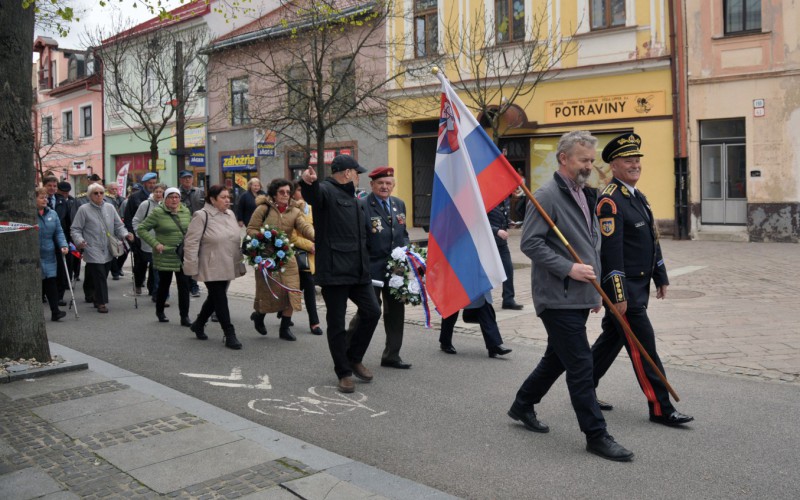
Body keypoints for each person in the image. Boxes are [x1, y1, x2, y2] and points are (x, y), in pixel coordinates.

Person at [506, 130, 634, 462]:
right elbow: (530, 244)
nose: (589, 166)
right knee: (580, 364)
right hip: (556, 296)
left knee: (557, 359)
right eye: (583, 160)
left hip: (578, 294)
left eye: (591, 160)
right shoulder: (547, 195)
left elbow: (591, 244)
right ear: (563, 158)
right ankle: (596, 434)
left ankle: (522, 404)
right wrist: (568, 270)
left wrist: (593, 293)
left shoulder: (583, 192)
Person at [591, 133, 694, 427]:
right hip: (625, 292)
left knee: (611, 340)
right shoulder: (610, 201)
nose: (635, 164)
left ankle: (584, 387)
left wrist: (660, 275)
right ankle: (661, 408)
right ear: (613, 164)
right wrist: (618, 295)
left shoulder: (638, 198)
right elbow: (611, 254)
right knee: (644, 347)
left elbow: (652, 240)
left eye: (637, 159)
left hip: (640, 286)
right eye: (628, 160)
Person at [300, 154, 381, 394]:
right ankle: (344, 372)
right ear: (347, 173)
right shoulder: (325, 190)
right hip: (335, 271)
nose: (358, 177)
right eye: (357, 173)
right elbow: (312, 196)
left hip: (358, 271)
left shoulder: (356, 199)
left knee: (373, 311)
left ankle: (354, 357)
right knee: (336, 323)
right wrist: (307, 183)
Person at [348, 166, 412, 369]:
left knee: (395, 312)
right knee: (369, 311)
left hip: (396, 269)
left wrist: (408, 253)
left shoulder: (399, 204)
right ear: (372, 185)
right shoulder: (363, 205)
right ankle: (347, 349)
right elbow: (359, 239)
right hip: (372, 268)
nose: (385, 186)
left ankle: (392, 355)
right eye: (381, 183)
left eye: (388, 183)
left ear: (393, 185)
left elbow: (403, 233)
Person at [247, 178, 315, 341]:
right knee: (268, 292)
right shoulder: (263, 209)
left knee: (291, 291)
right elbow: (251, 229)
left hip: (287, 256)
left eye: (288, 192)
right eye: (281, 192)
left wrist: (317, 236)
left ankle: (285, 328)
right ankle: (259, 316)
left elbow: (305, 227)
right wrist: (265, 238)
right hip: (266, 257)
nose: (285, 195)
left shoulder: (295, 211)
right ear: (274, 194)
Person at [183, 185, 247, 349]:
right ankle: (229, 333)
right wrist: (190, 267)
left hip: (228, 263)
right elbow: (191, 243)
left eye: (228, 197)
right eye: (223, 197)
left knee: (214, 298)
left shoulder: (230, 214)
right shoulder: (201, 215)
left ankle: (199, 324)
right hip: (210, 264)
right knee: (220, 297)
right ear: (212, 199)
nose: (228, 200)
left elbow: (234, 238)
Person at [70, 183, 134, 313]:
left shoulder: (110, 207)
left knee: (103, 273)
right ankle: (101, 302)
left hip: (108, 246)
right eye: (95, 193)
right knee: (99, 273)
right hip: (92, 246)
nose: (99, 195)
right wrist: (79, 241)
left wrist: (126, 234)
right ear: (89, 195)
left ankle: (92, 293)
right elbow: (75, 229)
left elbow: (118, 226)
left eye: (101, 193)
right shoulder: (83, 209)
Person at [137, 187, 192, 326]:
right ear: (165, 199)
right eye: (171, 197)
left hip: (182, 254)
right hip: (165, 254)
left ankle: (184, 316)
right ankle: (160, 311)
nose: (174, 200)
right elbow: (141, 229)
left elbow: (191, 230)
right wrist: (155, 244)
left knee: (184, 286)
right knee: (164, 285)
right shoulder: (157, 212)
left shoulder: (185, 211)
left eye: (177, 197)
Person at [290, 182, 323, 336]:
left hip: (311, 256)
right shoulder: (291, 210)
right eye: (298, 190)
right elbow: (292, 236)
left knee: (303, 288)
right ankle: (314, 322)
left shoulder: (310, 208)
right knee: (305, 288)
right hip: (296, 255)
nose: (301, 192)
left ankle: (284, 312)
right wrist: (310, 245)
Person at [439, 293, 513, 357]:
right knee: (453, 304)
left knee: (483, 301)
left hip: (475, 277)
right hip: (456, 278)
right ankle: (445, 342)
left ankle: (493, 345)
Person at [36, 187, 68, 321]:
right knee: (37, 285)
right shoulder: (27, 214)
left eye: (46, 197)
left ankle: (55, 311)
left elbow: (59, 232)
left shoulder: (52, 214)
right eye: (41, 197)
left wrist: (63, 245)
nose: (45, 200)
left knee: (51, 282)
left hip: (49, 253)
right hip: (33, 255)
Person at [125, 172, 159, 300]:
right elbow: (129, 217)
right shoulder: (135, 197)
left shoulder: (159, 197)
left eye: (154, 183)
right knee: (141, 263)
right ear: (144, 183)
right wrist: (132, 234)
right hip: (139, 236)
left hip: (154, 236)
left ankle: (153, 288)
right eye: (150, 183)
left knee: (154, 264)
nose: (152, 185)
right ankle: (138, 283)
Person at [132, 183, 166, 299]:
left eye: (161, 192)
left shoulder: (166, 205)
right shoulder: (145, 204)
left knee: (155, 267)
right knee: (142, 265)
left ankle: (154, 291)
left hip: (161, 242)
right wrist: (139, 234)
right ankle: (138, 283)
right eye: (156, 191)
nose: (158, 194)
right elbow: (136, 220)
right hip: (146, 241)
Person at [489, 197, 524, 310]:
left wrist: (508, 222)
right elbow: (478, 221)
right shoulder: (486, 198)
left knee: (508, 269)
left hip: (501, 243)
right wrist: (497, 231)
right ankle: (479, 305)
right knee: (485, 273)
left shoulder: (505, 199)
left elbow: (502, 217)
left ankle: (508, 299)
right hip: (488, 243)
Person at [179, 170, 205, 297]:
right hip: (182, 229)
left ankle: (194, 285)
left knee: (195, 257)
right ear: (181, 180)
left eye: (189, 178)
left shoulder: (200, 192)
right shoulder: (176, 193)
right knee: (187, 257)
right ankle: (190, 285)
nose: (187, 180)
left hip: (198, 229)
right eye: (185, 178)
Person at [53, 180, 76, 306]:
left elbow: (69, 221)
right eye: (63, 192)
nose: (65, 194)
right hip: (51, 238)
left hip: (64, 238)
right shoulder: (54, 200)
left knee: (64, 267)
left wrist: (71, 239)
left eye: (67, 192)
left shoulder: (70, 201)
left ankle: (60, 295)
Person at [105, 182, 128, 281]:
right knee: (113, 249)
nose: (114, 191)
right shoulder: (105, 199)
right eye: (112, 189)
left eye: (116, 189)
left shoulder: (121, 199)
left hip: (120, 227)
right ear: (107, 189)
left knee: (126, 249)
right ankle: (115, 272)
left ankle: (118, 267)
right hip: (110, 228)